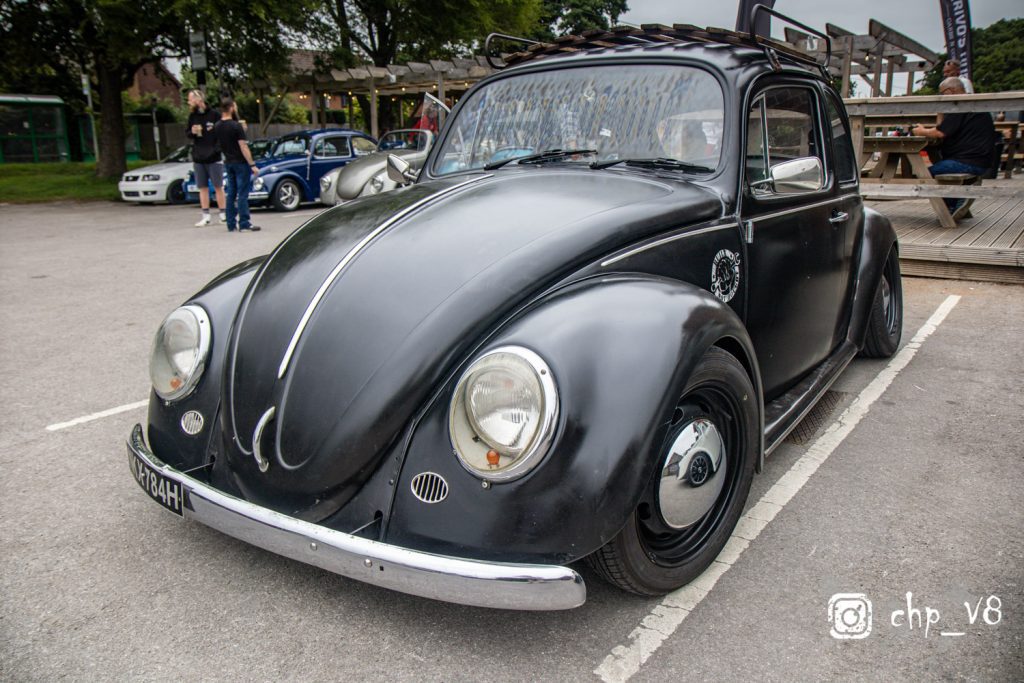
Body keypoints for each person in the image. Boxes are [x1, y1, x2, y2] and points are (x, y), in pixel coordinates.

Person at [909, 77, 995, 220]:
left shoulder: (960, 105)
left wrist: (921, 131)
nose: (941, 97)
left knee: (925, 175)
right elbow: (943, 128)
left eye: (942, 94)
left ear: (950, 91)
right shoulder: (970, 103)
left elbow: (940, 132)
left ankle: (956, 200)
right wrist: (941, 110)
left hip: (968, 162)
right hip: (979, 160)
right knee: (935, 170)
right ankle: (955, 202)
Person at [214, 96, 261, 232]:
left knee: (231, 193)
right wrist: (252, 164)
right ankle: (244, 223)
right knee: (242, 193)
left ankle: (231, 223)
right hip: (240, 162)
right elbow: (243, 146)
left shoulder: (218, 126)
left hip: (228, 161)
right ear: (232, 108)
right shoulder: (236, 126)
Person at [185, 90, 226, 226]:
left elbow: (221, 133)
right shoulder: (192, 116)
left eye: (190, 99)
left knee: (218, 186)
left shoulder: (214, 115)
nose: (189, 102)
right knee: (202, 187)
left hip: (214, 157)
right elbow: (188, 133)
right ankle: (206, 215)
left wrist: (217, 150)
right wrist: (192, 132)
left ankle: (223, 213)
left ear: (198, 99)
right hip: (199, 157)